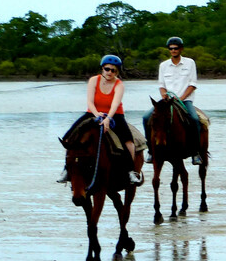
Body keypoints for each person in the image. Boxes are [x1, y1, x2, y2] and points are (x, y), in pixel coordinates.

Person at [57, 55, 142, 185]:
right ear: (102, 68)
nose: (110, 72)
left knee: (128, 141)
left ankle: (131, 171)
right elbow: (90, 102)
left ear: (117, 71)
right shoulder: (93, 80)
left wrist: (108, 118)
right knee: (69, 138)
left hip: (115, 115)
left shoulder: (119, 85)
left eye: (113, 70)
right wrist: (97, 115)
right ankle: (66, 169)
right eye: (107, 69)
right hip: (93, 113)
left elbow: (115, 104)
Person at [144, 36, 205, 164]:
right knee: (146, 117)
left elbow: (193, 84)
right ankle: (150, 151)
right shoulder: (163, 65)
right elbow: (161, 85)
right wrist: (164, 95)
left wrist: (181, 98)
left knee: (194, 119)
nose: (173, 50)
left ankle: (195, 153)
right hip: (167, 101)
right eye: (171, 48)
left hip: (185, 100)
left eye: (176, 48)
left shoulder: (190, 63)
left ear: (181, 49)